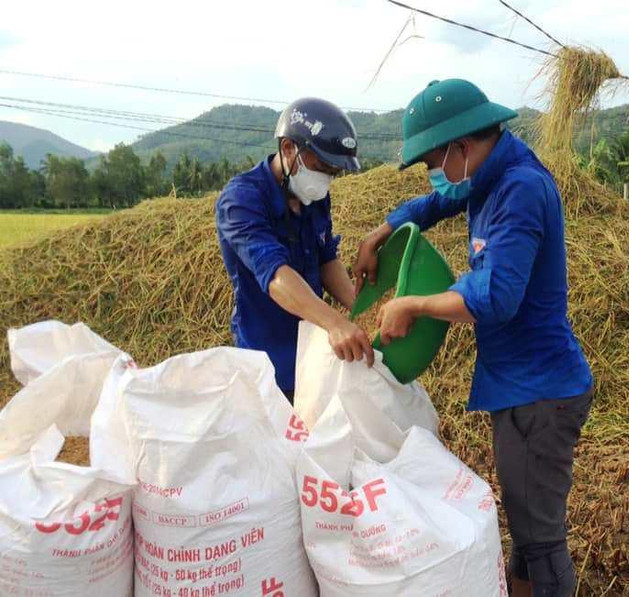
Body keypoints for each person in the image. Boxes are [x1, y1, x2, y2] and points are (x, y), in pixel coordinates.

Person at [353, 79, 594, 597]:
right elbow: (435, 205)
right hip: (518, 384)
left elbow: (496, 297)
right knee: (526, 530)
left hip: (541, 393)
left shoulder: (520, 188)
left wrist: (412, 304)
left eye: (431, 162)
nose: (431, 174)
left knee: (542, 539)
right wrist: (383, 229)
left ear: (461, 146)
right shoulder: (486, 174)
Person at [216, 98, 374, 399]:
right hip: (269, 359)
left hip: (314, 348)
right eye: (320, 167)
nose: (325, 180)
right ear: (288, 148)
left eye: (333, 173)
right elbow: (275, 275)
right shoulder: (241, 201)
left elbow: (327, 260)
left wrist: (361, 309)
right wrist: (335, 322)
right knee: (279, 439)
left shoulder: (313, 197)